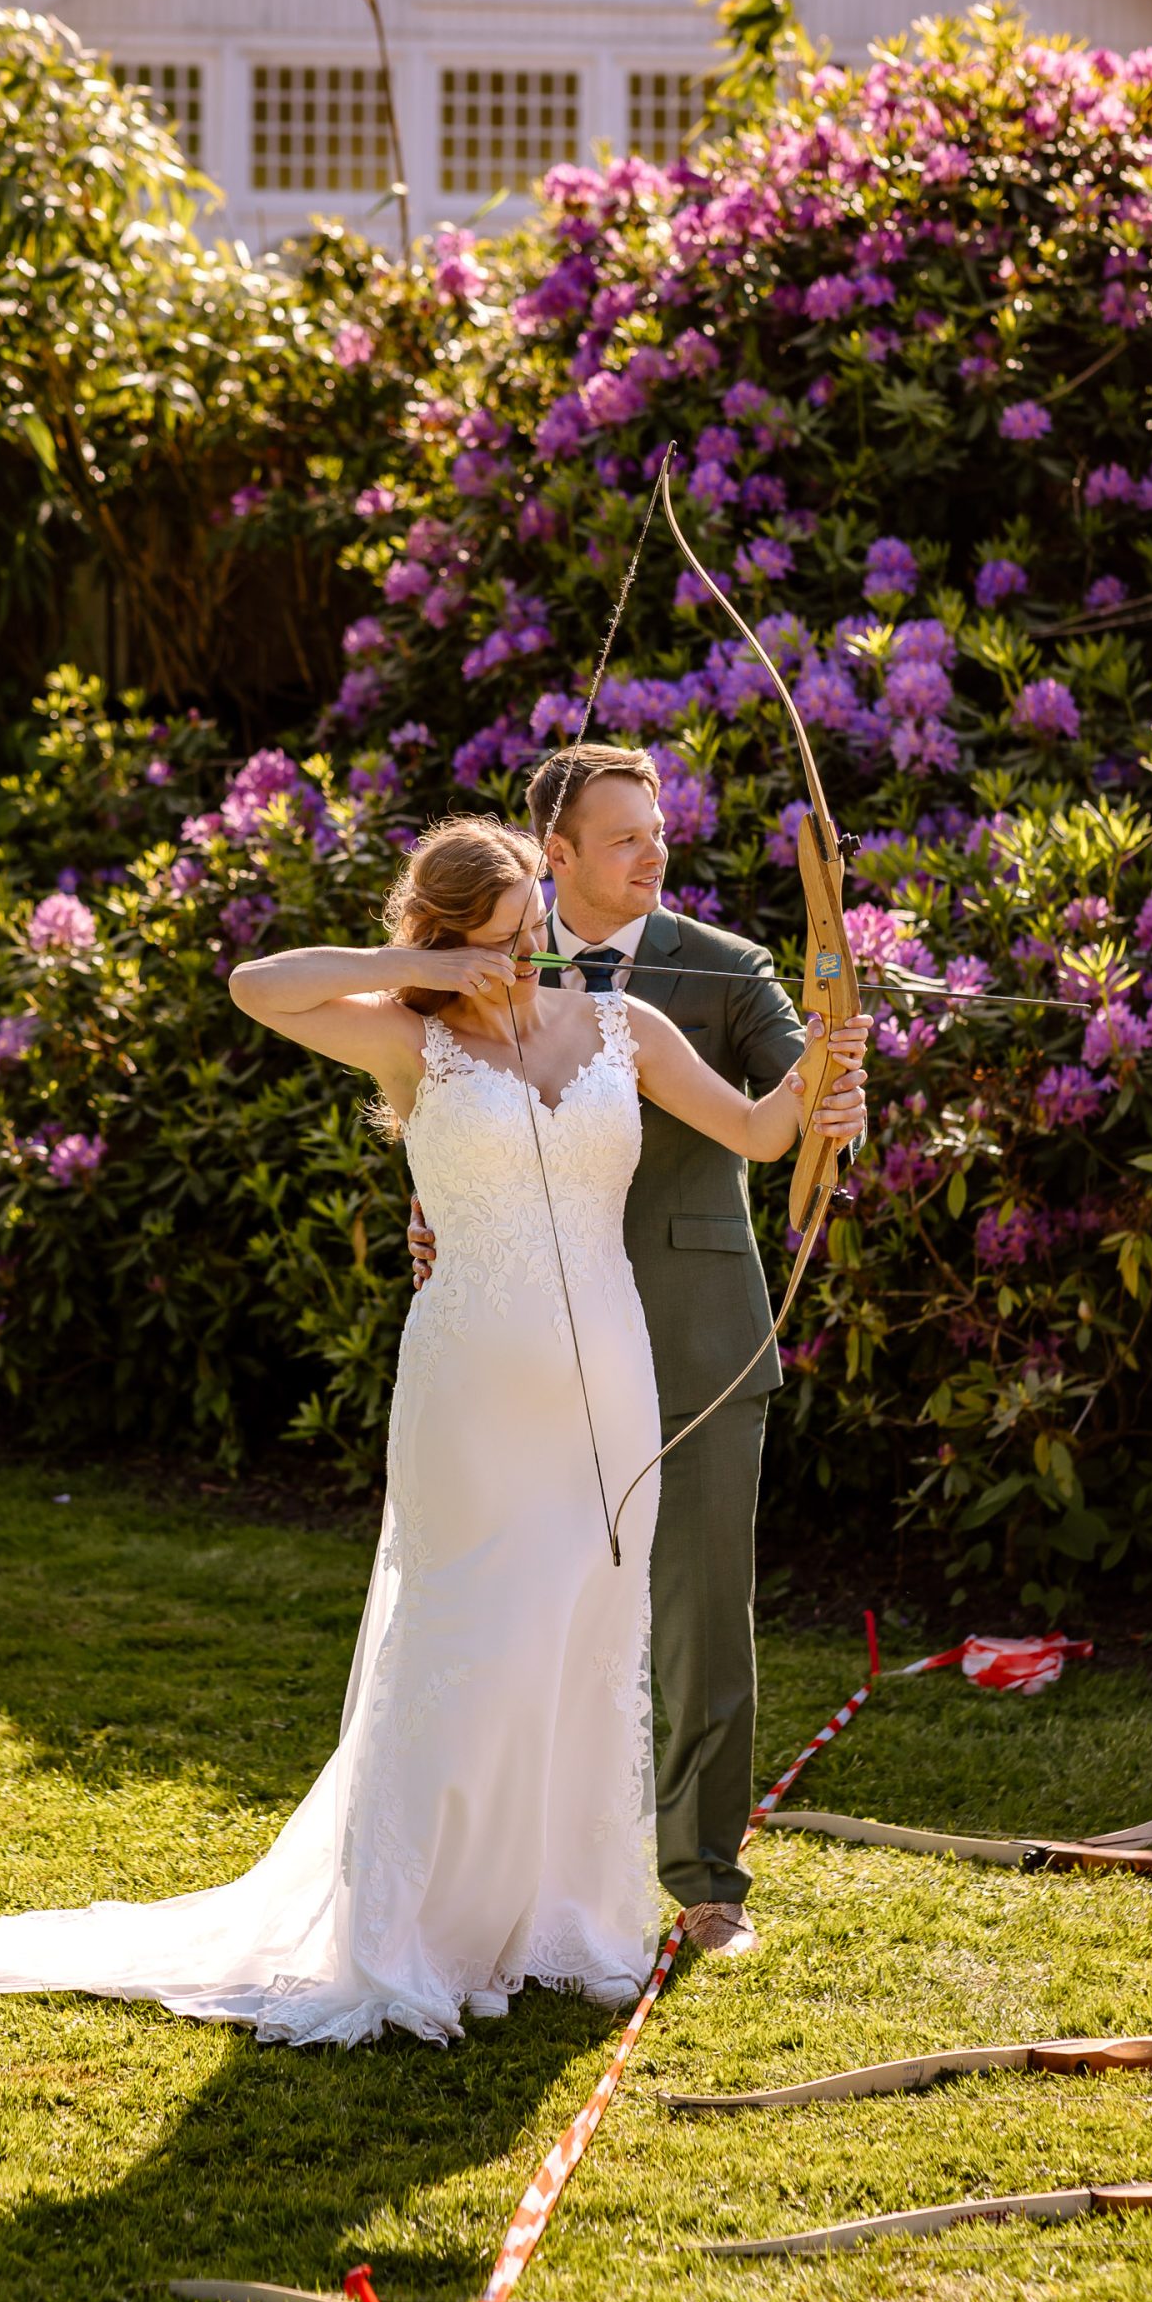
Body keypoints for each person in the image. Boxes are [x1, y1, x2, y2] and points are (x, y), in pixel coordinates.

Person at [0, 816, 867, 2048]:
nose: (514, 960)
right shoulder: (408, 1037)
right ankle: (411, 1937)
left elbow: (763, 1131)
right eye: (485, 945)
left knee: (582, 1645)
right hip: (471, 1402)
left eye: (525, 933)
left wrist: (825, 1072)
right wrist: (429, 978)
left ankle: (563, 1924)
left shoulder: (623, 1026)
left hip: (607, 1390)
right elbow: (255, 985)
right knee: (469, 1639)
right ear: (441, 947)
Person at [410, 748, 861, 1956]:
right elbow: (438, 1101)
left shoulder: (720, 970)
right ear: (554, 855)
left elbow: (791, 1094)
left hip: (697, 1328)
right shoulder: (487, 962)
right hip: (528, 1341)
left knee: (703, 1607)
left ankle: (707, 1879)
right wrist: (439, 1205)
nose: (656, 853)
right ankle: (520, 1875)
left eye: (659, 831)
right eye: (625, 838)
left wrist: (838, 1086)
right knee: (530, 1599)